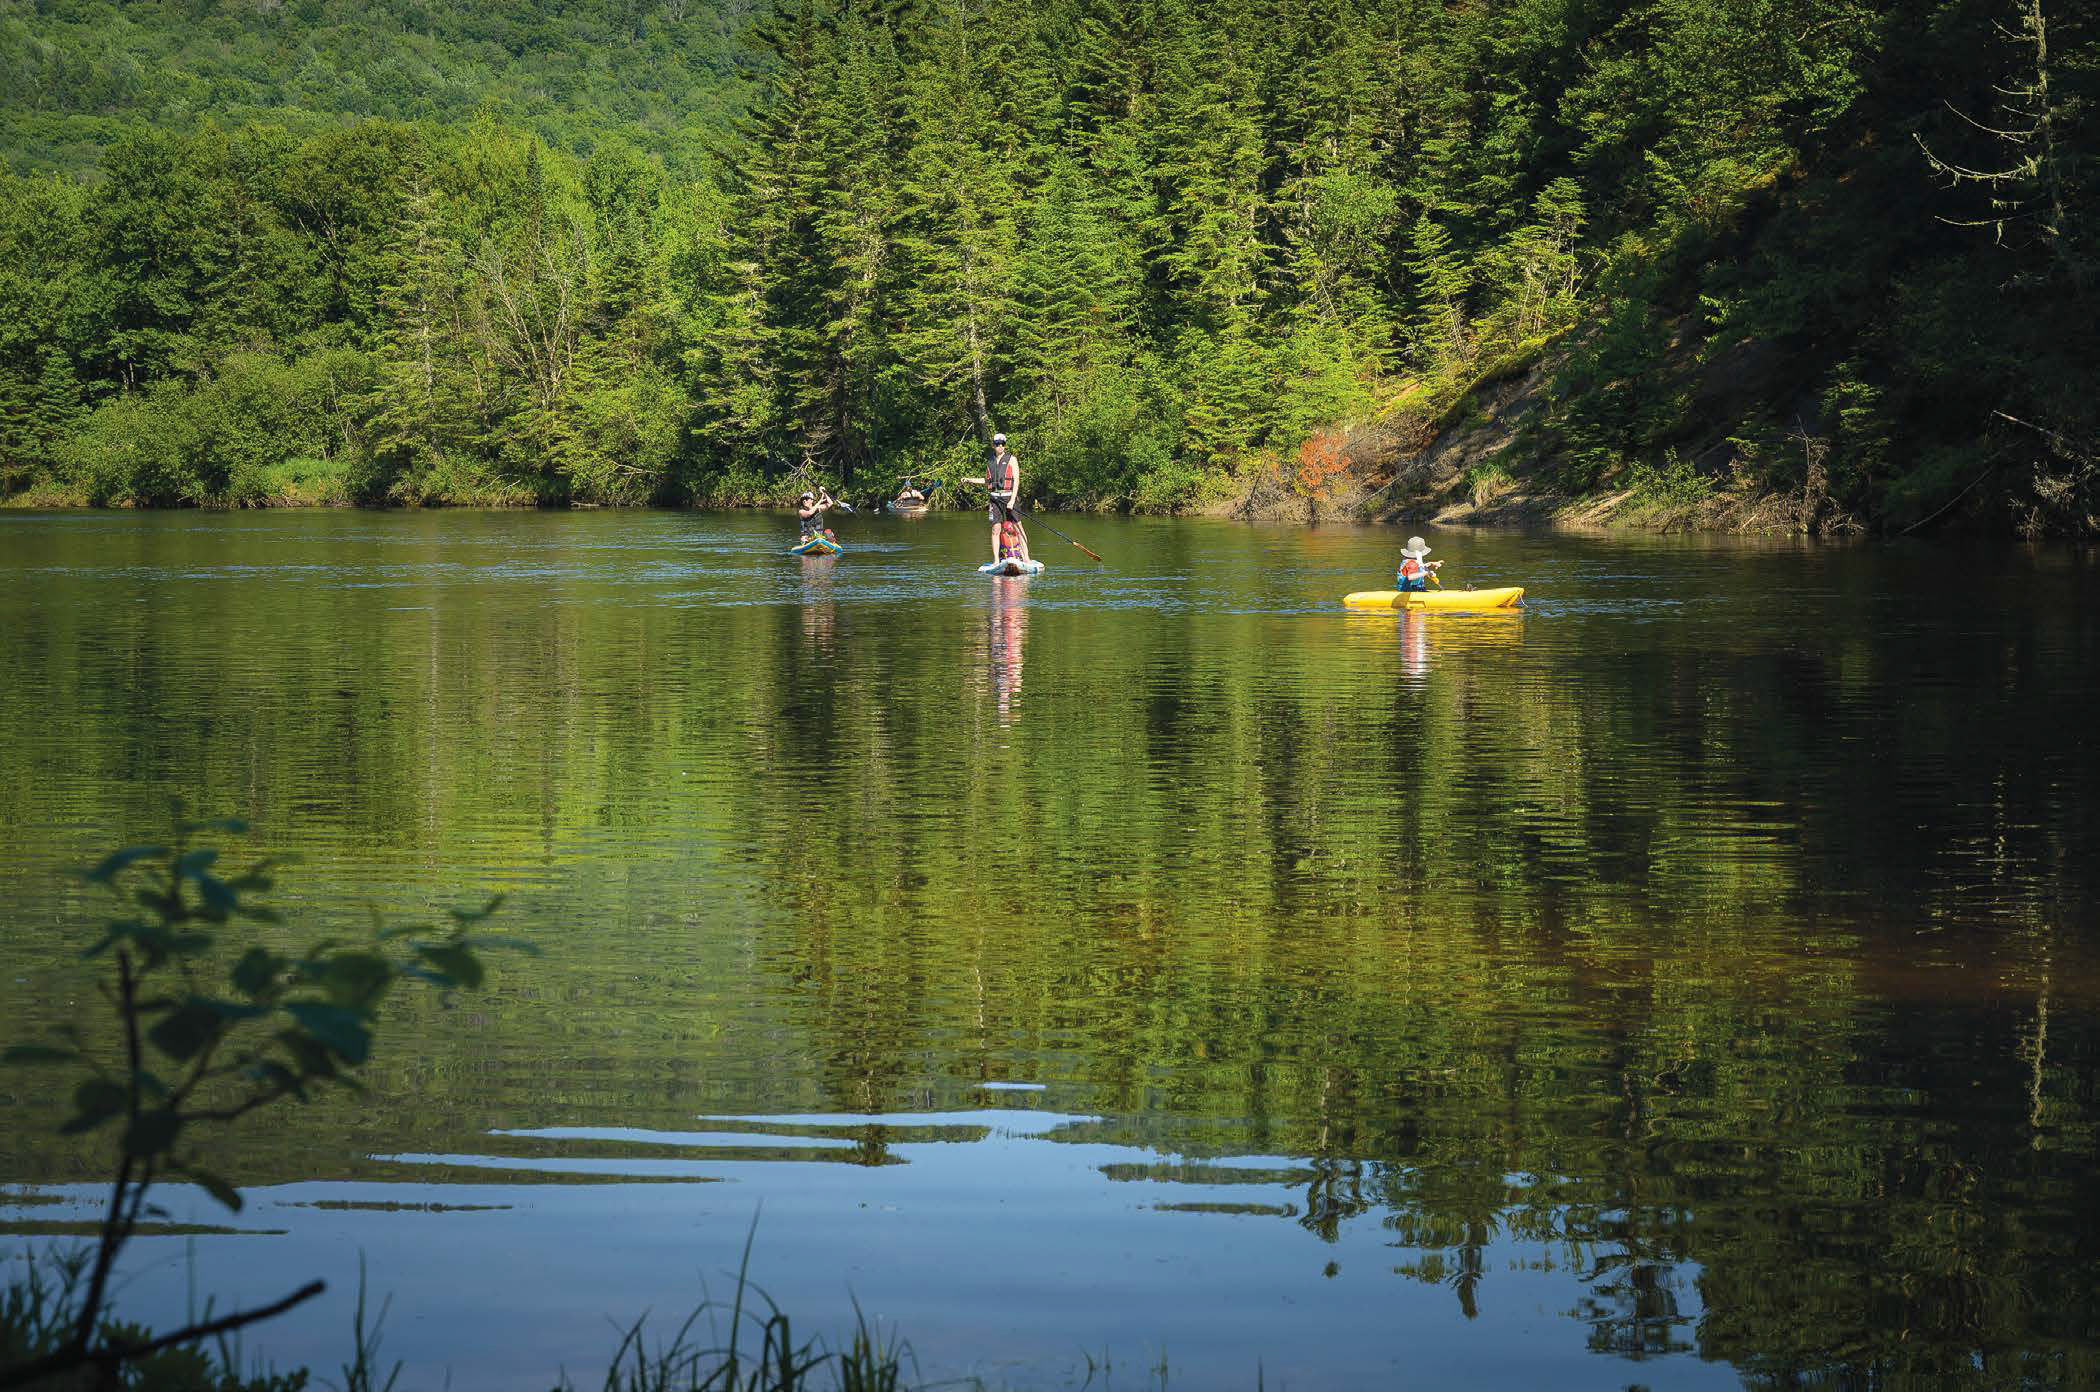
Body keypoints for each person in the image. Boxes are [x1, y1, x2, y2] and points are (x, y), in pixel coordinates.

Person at [985, 432, 1030, 564]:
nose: (1000, 446)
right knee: (995, 529)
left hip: (1009, 497)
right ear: (993, 445)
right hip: (994, 499)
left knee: (1018, 527)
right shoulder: (990, 461)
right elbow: (988, 481)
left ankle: (1026, 557)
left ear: (1004, 445)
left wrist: (1012, 500)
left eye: (1002, 444)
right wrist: (969, 480)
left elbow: (1016, 481)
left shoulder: (1012, 459)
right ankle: (996, 561)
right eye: (997, 444)